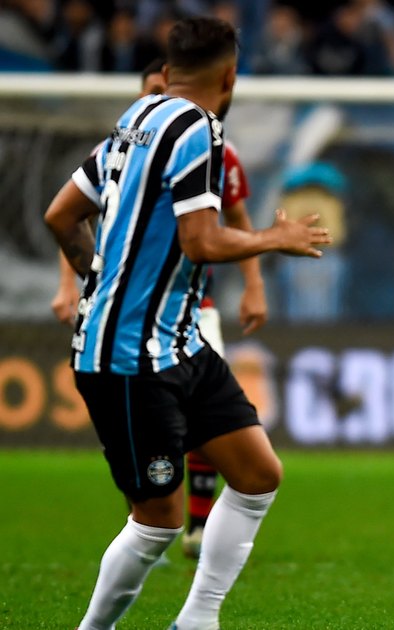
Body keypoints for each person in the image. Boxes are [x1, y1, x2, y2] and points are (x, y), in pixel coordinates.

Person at [42, 17, 329, 630]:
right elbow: (199, 243)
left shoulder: (135, 119)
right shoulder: (199, 132)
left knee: (257, 475)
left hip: (178, 342)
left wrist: (94, 279)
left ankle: (197, 620)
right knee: (158, 522)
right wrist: (271, 238)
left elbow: (61, 214)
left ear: (168, 71)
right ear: (231, 76)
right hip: (128, 358)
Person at [50, 57, 267, 561]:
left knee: (214, 427)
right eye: (152, 89)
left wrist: (254, 283)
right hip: (129, 325)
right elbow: (75, 218)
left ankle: (194, 523)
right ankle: (152, 519)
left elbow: (235, 216)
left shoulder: (216, 151)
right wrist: (77, 284)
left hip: (194, 312)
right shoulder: (125, 145)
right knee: (155, 437)